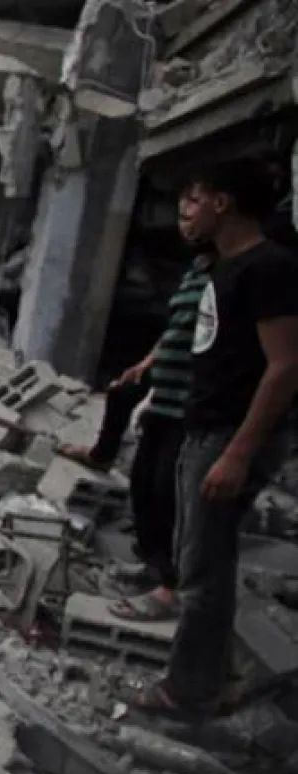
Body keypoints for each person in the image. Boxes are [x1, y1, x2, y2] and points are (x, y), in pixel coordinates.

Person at [133, 159, 298, 719]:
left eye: (196, 198)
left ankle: (190, 693)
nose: (189, 211)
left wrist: (236, 453)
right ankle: (212, 671)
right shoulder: (224, 268)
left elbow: (284, 367)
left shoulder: (267, 268)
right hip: (205, 429)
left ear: (223, 204)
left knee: (202, 569)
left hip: (226, 436)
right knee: (199, 557)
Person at [63, 228, 212, 621]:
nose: (186, 212)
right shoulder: (198, 269)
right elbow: (177, 328)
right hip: (168, 394)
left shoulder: (238, 274)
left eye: (195, 201)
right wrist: (148, 363)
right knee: (144, 482)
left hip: (196, 404)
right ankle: (156, 567)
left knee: (169, 491)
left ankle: (172, 588)